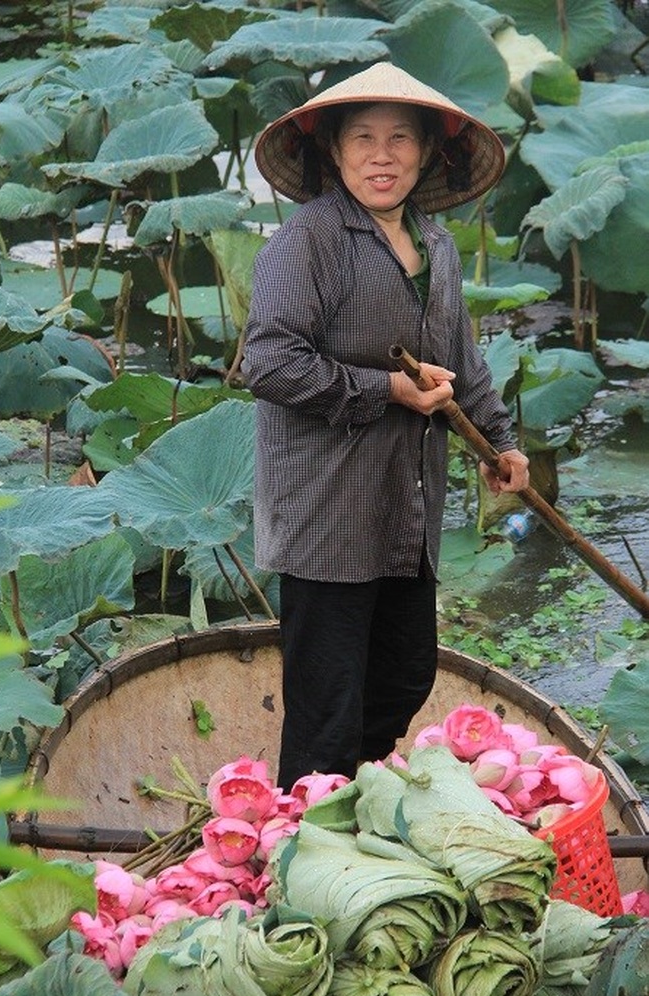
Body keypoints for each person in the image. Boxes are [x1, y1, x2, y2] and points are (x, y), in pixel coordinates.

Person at [242, 62, 529, 791]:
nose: (381, 155)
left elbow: (463, 360)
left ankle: (350, 797)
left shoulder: (436, 248)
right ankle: (304, 833)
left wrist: (501, 442)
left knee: (405, 674)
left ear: (430, 151)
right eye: (362, 138)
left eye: (400, 139)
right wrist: (386, 389)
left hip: (403, 513)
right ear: (333, 150)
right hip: (327, 518)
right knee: (325, 713)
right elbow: (268, 361)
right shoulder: (308, 240)